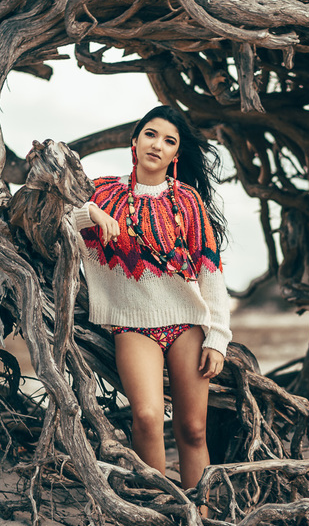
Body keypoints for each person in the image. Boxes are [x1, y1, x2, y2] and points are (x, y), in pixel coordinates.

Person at [69, 105, 230, 494]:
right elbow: (54, 219)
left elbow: (210, 269)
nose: (158, 145)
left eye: (169, 141)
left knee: (192, 429)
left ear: (176, 154)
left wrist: (218, 339)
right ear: (135, 141)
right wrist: (90, 214)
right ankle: (161, 507)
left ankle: (199, 513)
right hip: (131, 323)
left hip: (185, 324)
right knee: (145, 416)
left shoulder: (187, 201)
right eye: (151, 134)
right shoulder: (103, 192)